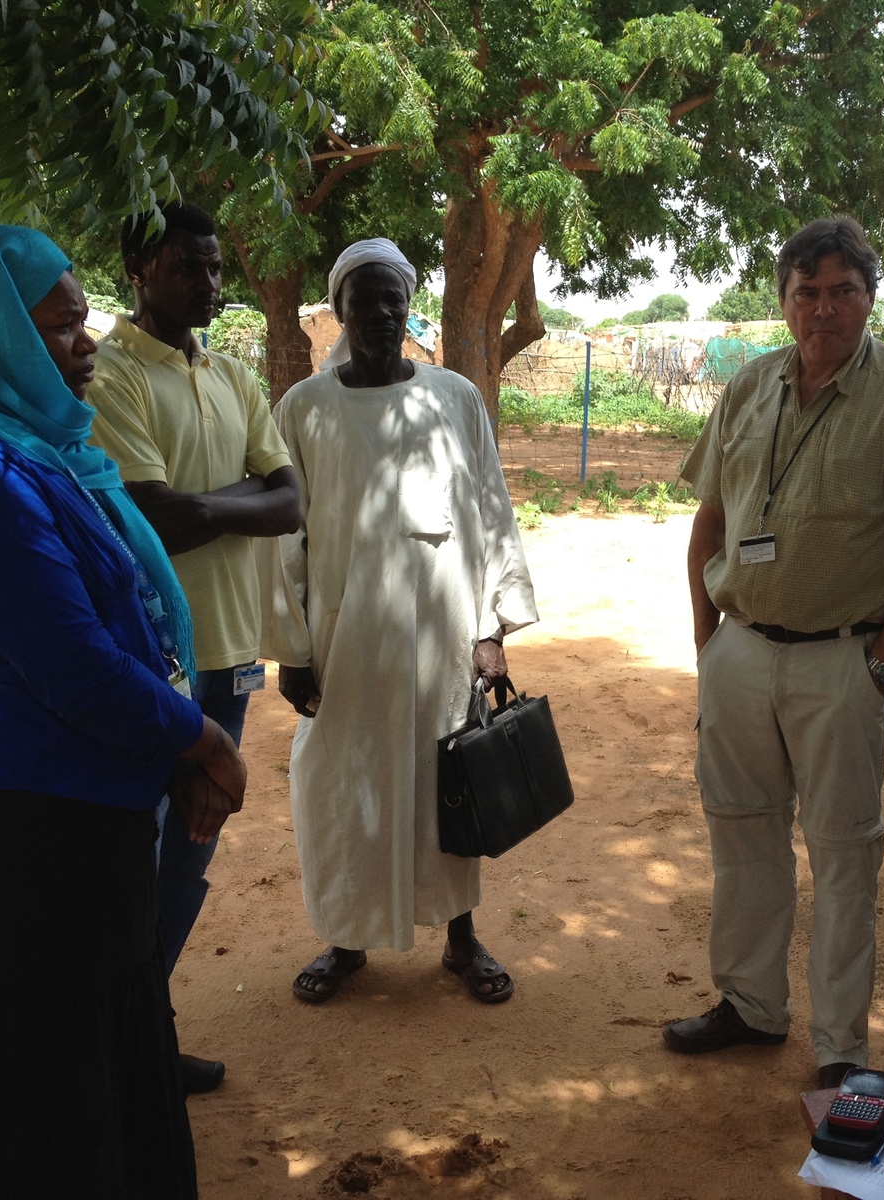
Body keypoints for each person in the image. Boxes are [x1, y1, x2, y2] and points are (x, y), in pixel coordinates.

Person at [0, 225, 247, 1197]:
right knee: (39, 1090)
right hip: (28, 825)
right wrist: (202, 737)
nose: (84, 343)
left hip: (82, 802)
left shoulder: (42, 453)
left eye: (82, 320)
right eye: (56, 327)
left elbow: (116, 628)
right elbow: (76, 667)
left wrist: (173, 747)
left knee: (88, 1059)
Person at [664, 216, 884, 1090]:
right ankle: (750, 1006)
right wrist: (709, 645)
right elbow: (709, 523)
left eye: (844, 291)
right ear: (785, 301)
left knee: (843, 855)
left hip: (842, 663)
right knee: (743, 838)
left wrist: (881, 664)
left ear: (870, 299)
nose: (825, 309)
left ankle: (840, 1046)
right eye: (808, 293)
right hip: (740, 656)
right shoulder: (749, 385)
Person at [258, 238, 537, 1005]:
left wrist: (492, 630)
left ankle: (461, 938)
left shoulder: (455, 397)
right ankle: (346, 940)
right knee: (343, 785)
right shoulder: (305, 407)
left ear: (410, 307)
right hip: (343, 641)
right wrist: (291, 650)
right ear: (339, 310)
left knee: (451, 782)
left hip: (442, 638)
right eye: (365, 300)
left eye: (394, 300)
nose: (382, 313)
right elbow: (285, 538)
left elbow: (489, 511)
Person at [86, 201, 300, 1093]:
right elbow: (150, 522)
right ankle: (103, 1046)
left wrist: (198, 506)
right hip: (154, 661)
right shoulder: (110, 375)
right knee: (135, 852)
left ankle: (138, 1034)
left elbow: (291, 502)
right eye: (188, 267)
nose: (210, 283)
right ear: (139, 271)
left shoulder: (233, 375)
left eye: (215, 267)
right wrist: (235, 500)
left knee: (191, 853)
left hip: (231, 656)